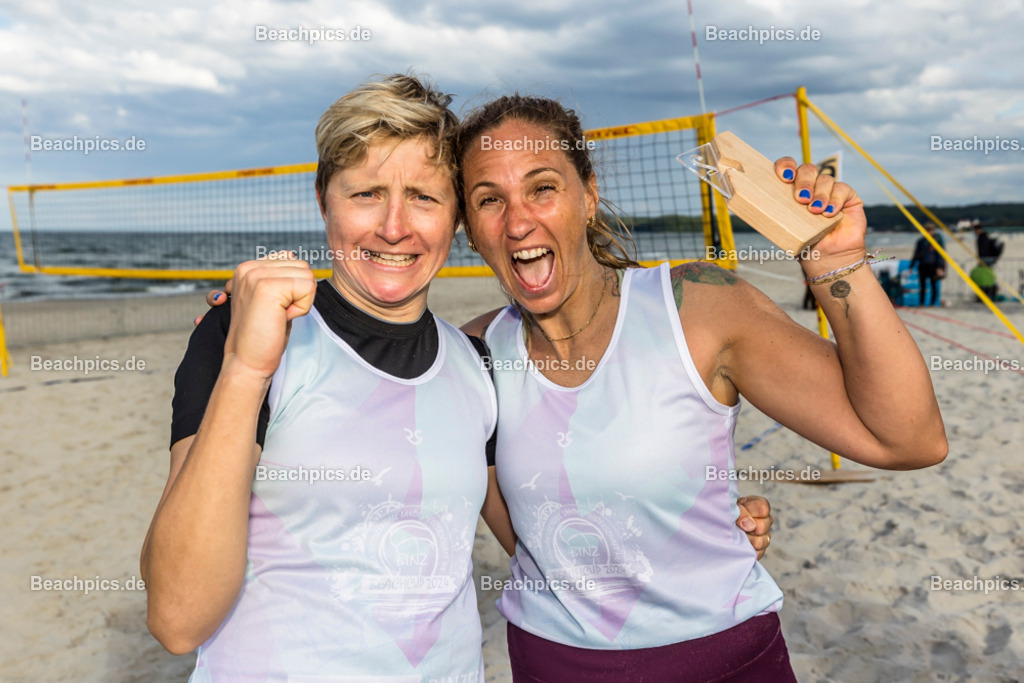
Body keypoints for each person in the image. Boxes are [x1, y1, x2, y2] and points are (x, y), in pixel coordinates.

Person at [145, 74, 774, 680]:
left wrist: (707, 527)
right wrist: (246, 367)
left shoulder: (475, 363)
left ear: (457, 220)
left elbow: (554, 540)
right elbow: (178, 618)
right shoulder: (246, 340)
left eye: (424, 197)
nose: (395, 227)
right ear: (322, 200)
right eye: (366, 193)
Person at [453, 95, 947, 681]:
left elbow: (908, 440)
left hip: (724, 659)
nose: (517, 222)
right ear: (469, 229)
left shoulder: (699, 306)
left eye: (542, 187)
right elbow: (532, 544)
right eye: (490, 200)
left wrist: (837, 262)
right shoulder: (473, 356)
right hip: (553, 662)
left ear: (588, 195)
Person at [909, 221, 945, 306]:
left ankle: (932, 303)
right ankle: (921, 303)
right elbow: (916, 254)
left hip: (933, 265)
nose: (929, 232)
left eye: (930, 230)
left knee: (933, 285)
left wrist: (940, 267)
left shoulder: (937, 240)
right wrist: (911, 266)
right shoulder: (921, 241)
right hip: (923, 265)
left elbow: (940, 255)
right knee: (922, 286)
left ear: (933, 231)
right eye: (927, 230)